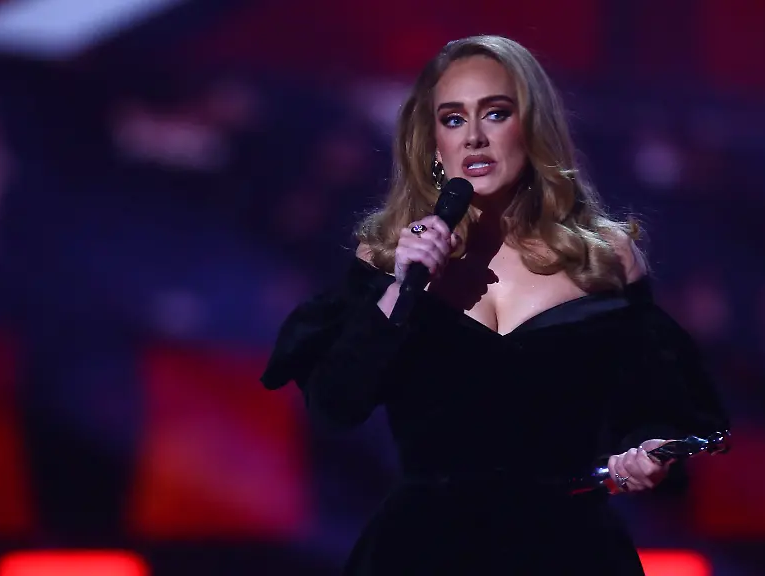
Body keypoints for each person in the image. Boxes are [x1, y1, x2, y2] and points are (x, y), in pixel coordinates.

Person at [261, 35, 729, 575]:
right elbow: (336, 406)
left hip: (569, 551)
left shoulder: (605, 260)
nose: (475, 137)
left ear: (533, 127)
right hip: (421, 554)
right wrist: (399, 287)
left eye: (496, 113)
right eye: (453, 119)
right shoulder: (389, 257)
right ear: (433, 142)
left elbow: (665, 411)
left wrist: (647, 455)